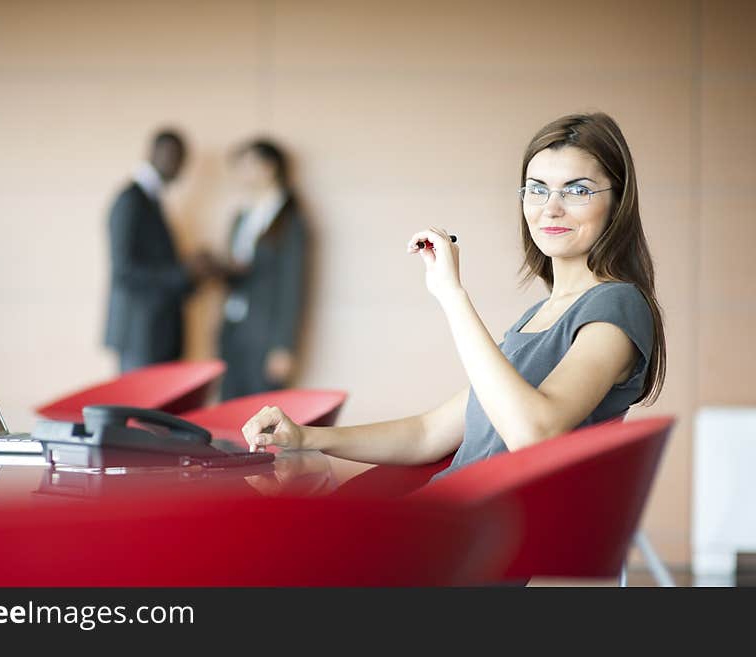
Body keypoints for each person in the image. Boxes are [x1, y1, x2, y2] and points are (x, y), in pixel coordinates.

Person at [240, 112, 667, 483]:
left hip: (465, 541)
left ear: (618, 201)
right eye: (537, 189)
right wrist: (305, 439)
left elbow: (533, 434)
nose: (550, 208)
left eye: (576, 190)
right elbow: (428, 432)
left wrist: (451, 293)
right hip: (439, 520)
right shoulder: (540, 315)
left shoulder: (616, 307)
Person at [103, 129, 212, 373]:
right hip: (140, 333)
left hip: (156, 332)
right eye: (177, 158)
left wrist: (192, 273)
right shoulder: (131, 200)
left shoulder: (153, 200)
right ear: (155, 153)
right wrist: (184, 273)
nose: (181, 168)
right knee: (140, 409)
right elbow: (124, 270)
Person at [216, 139, 308, 400]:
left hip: (266, 333)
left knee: (262, 411)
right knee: (228, 408)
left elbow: (294, 284)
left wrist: (283, 345)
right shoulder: (242, 217)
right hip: (234, 327)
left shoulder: (289, 219)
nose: (243, 173)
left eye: (249, 165)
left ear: (269, 168)